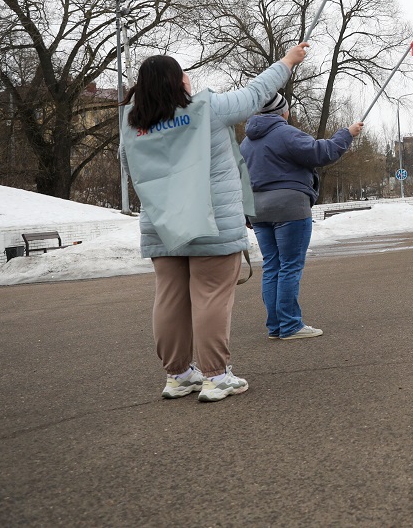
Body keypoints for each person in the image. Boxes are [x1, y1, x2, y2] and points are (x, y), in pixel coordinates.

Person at [120, 42, 309, 403]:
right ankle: (216, 376)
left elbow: (131, 171)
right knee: (210, 296)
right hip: (212, 221)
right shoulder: (205, 108)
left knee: (170, 298)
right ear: (178, 82)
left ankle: (177, 376)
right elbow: (255, 94)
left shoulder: (131, 125)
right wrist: (287, 61)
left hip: (161, 225)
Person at [240, 95, 363, 341]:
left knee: (272, 266)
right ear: (282, 112)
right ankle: (290, 325)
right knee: (290, 265)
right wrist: (346, 134)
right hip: (289, 207)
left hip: (257, 210)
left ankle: (275, 326)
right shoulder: (285, 134)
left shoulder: (245, 143)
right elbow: (321, 153)